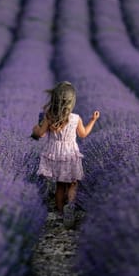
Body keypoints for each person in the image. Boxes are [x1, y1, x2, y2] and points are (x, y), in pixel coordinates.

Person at [31, 81, 100, 229]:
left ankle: (61, 213)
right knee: (73, 183)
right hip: (70, 155)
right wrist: (93, 120)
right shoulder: (76, 118)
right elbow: (83, 134)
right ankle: (71, 206)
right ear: (72, 102)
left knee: (60, 186)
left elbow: (41, 134)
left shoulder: (49, 117)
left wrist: (35, 129)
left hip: (56, 154)